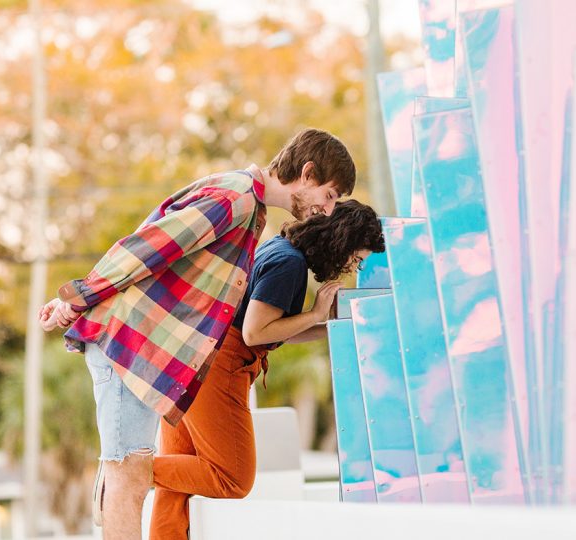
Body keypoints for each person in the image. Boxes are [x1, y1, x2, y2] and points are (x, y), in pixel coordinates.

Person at [38, 128, 356, 540]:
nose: (328, 211)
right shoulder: (234, 198)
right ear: (308, 173)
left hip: (151, 351)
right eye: (329, 196)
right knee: (128, 476)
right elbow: (148, 245)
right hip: (129, 342)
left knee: (133, 473)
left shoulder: (250, 211)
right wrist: (75, 298)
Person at [148, 200, 384, 540]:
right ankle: (127, 470)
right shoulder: (289, 265)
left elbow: (274, 328)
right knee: (232, 476)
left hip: (193, 355)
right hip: (220, 364)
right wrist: (316, 314)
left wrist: (329, 325)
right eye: (356, 258)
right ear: (341, 242)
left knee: (179, 473)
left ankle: (138, 486)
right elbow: (254, 333)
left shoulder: (282, 249)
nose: (352, 267)